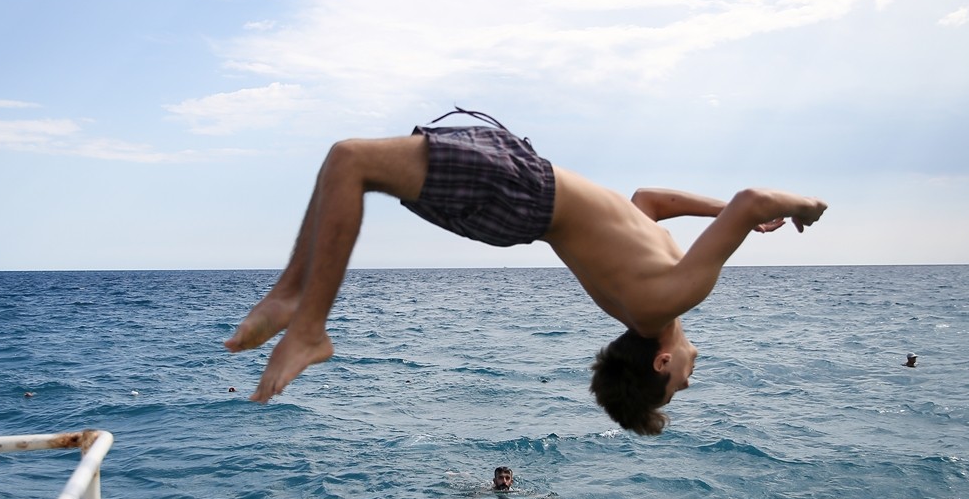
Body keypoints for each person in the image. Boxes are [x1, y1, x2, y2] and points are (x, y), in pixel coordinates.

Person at [225, 109, 827, 435]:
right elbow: (648, 201)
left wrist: (800, 208)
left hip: (522, 194)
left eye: (678, 386)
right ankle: (291, 299)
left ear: (661, 364)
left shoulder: (670, 298)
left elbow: (753, 198)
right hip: (523, 187)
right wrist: (727, 212)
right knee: (348, 162)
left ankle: (308, 326)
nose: (692, 379)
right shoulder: (654, 291)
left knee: (350, 160)